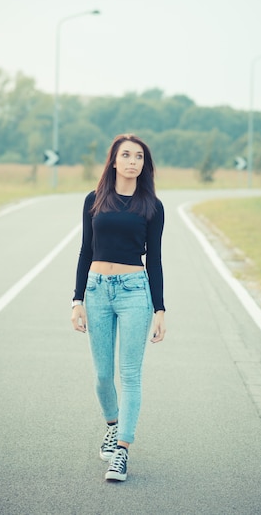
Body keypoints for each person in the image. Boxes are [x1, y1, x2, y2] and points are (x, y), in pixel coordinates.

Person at [71, 133, 166, 482]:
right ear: (113, 161)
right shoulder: (93, 200)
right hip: (96, 290)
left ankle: (122, 451)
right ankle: (112, 424)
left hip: (133, 292)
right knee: (101, 375)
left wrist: (160, 309)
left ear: (144, 165)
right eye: (125, 155)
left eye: (138, 157)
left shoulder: (152, 207)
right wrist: (77, 299)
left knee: (129, 374)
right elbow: (85, 250)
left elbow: (154, 259)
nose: (132, 161)